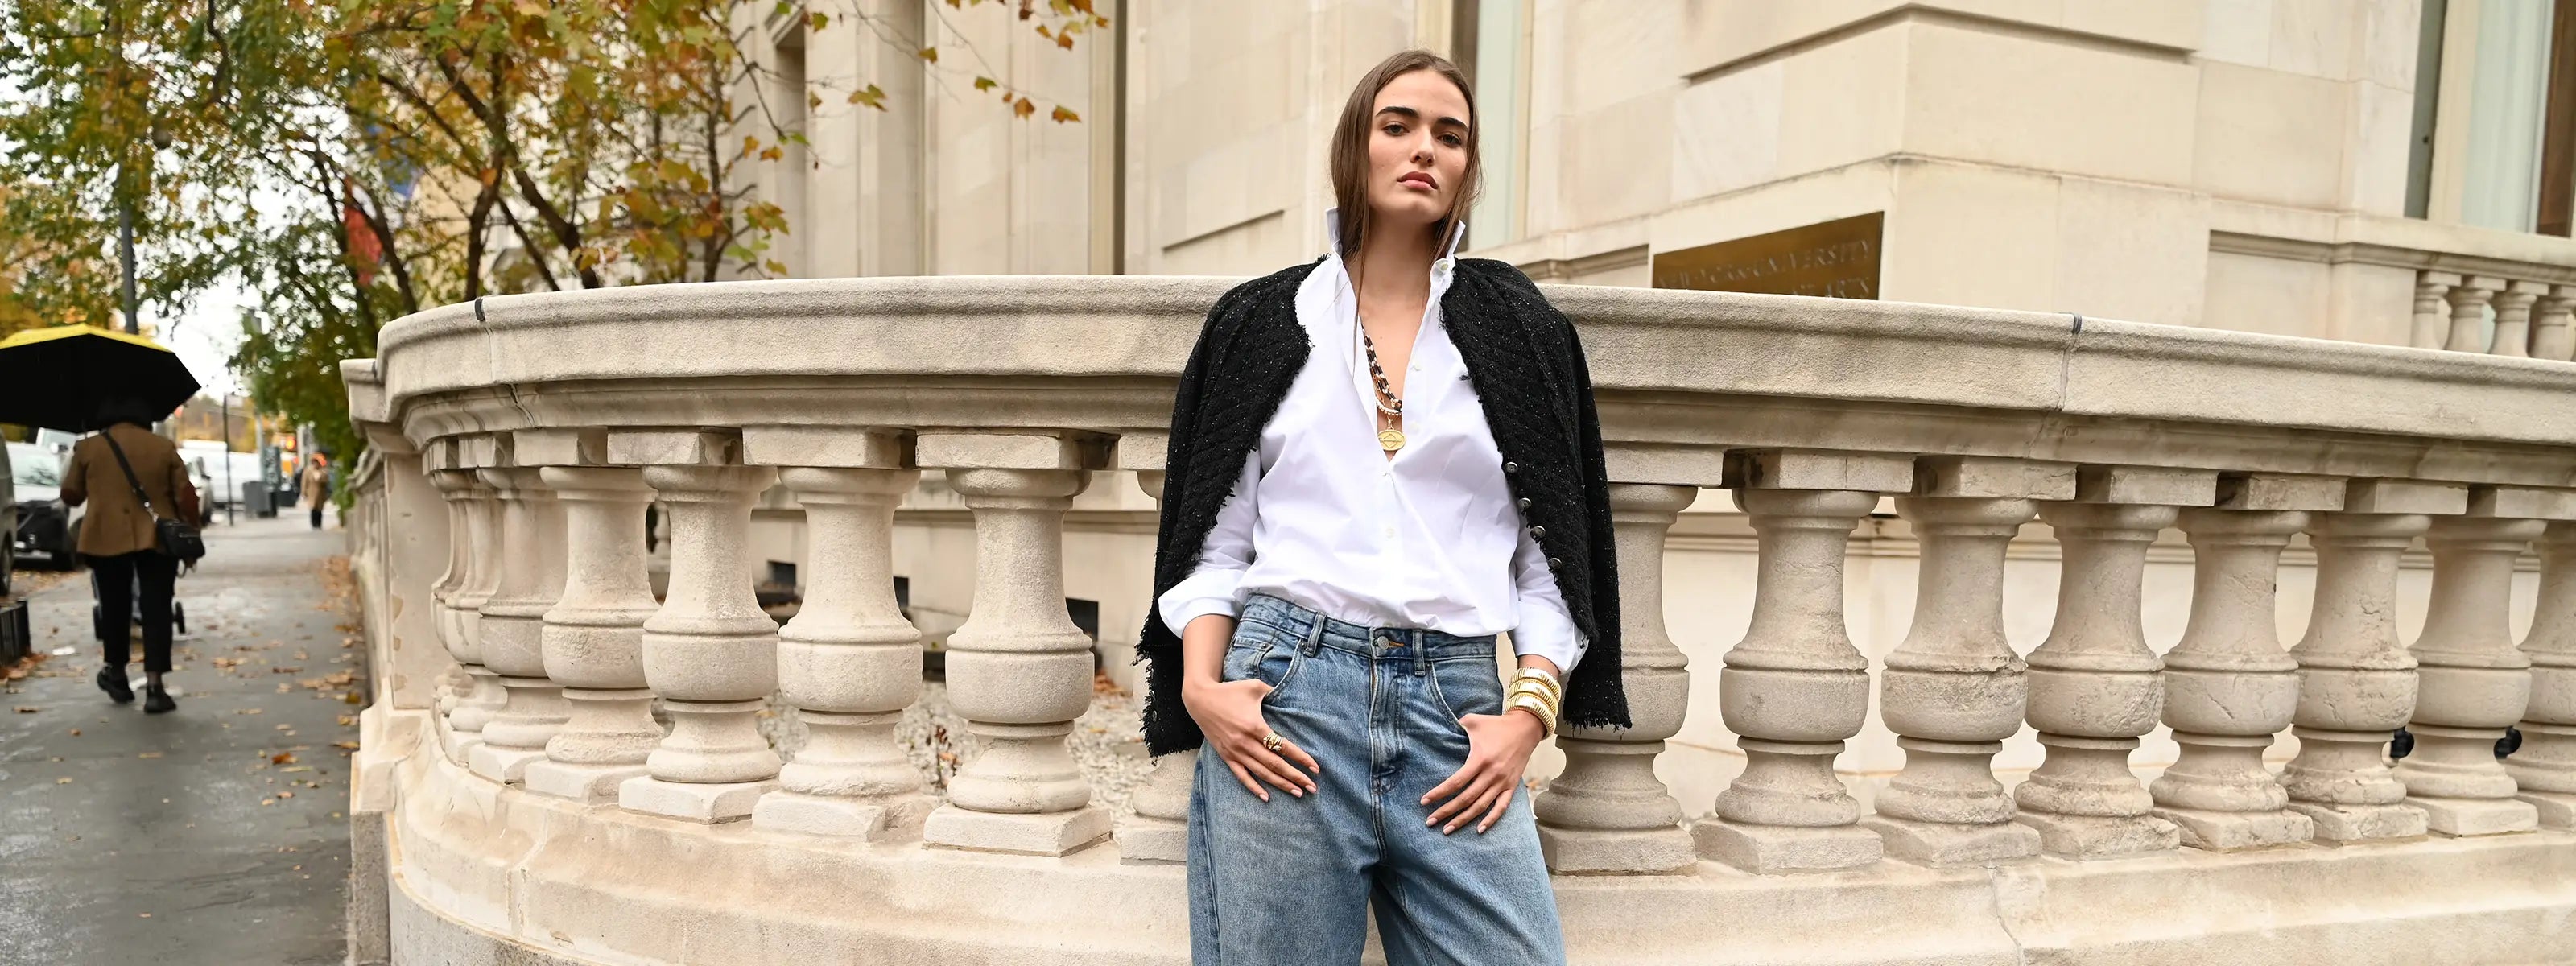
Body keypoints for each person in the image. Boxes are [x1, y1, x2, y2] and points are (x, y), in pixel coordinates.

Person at [1140, 49, 1624, 965]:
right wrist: (1202, 688)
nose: (1423, 150)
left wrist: (1527, 713)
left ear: (1467, 168)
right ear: (1354, 147)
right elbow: (1216, 539)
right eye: (1396, 125)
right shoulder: (1264, 320)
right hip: (1286, 700)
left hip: (1458, 710)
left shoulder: (1522, 332)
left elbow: (1550, 559)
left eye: (1450, 135)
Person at [60, 402, 200, 713]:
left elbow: (71, 495)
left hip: (105, 538)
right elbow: (186, 496)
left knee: (114, 607)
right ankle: (155, 686)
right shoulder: (163, 447)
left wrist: (82, 463)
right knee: (157, 608)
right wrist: (192, 533)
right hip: (157, 538)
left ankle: (118, 675)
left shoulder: (89, 447)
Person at [300, 452, 331, 529]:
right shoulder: (308, 471)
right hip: (311, 493)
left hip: (321, 493)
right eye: (314, 463)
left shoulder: (323, 472)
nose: (315, 464)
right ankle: (314, 523)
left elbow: (326, 481)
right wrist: (304, 492)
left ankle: (319, 523)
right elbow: (304, 482)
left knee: (319, 509)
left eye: (317, 463)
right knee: (313, 508)